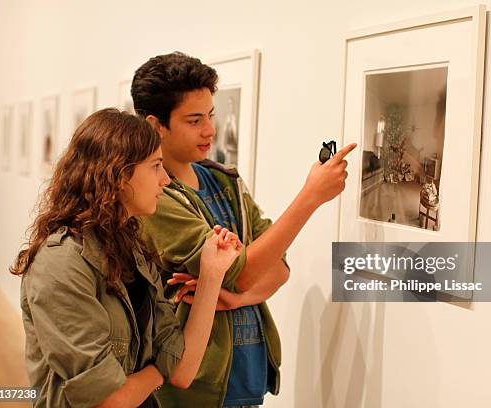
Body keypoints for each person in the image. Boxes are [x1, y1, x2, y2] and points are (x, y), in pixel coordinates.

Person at [131, 51, 356, 408]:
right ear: (156, 124)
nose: (210, 130)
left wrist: (237, 296)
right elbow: (243, 271)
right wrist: (310, 197)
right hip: (195, 388)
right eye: (193, 120)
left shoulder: (223, 178)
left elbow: (278, 268)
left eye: (210, 115)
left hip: (247, 377)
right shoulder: (155, 198)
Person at [11, 108, 242, 407]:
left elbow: (183, 371)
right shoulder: (61, 262)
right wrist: (159, 369)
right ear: (118, 174)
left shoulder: (129, 248)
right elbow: (110, 399)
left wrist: (212, 274)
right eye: (156, 166)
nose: (166, 180)